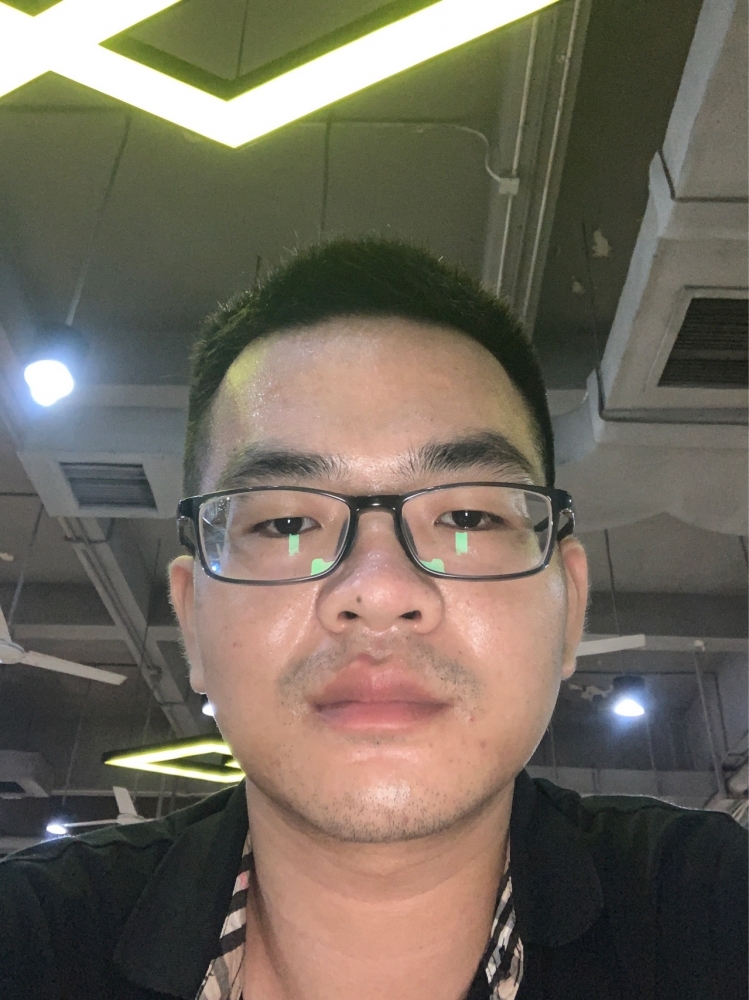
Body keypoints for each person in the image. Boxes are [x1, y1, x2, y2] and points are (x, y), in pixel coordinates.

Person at [0, 239, 746, 1000]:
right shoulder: (31, 938)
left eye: (467, 516)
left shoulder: (709, 909)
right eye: (286, 524)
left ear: (570, 608)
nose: (380, 590)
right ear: (191, 619)